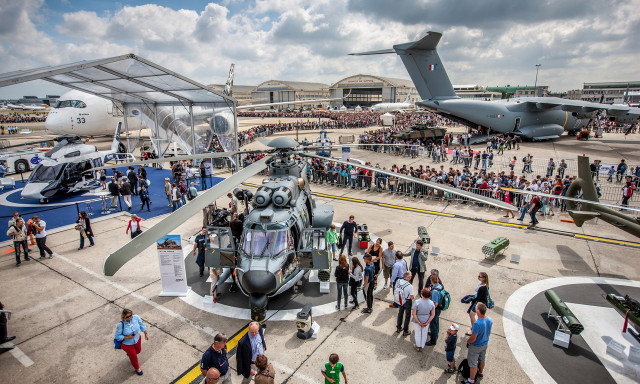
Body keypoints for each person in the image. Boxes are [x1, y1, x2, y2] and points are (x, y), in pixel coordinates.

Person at [463, 303, 492, 384]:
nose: (475, 308)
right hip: (485, 344)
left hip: (476, 346)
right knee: (482, 359)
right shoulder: (489, 319)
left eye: (476, 308)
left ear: (478, 311)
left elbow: (473, 337)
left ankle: (471, 380)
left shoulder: (477, 323)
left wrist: (468, 341)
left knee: (472, 363)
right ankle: (480, 373)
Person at [114, 309, 148, 375]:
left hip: (137, 339)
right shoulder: (120, 325)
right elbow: (117, 336)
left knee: (138, 351)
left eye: (130, 316)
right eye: (127, 317)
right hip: (127, 344)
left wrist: (146, 334)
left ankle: (130, 354)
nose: (129, 318)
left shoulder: (136, 317)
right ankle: (137, 369)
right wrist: (127, 337)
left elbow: (142, 325)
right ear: (123, 317)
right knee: (134, 356)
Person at [395, 271, 415, 337]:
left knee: (400, 313)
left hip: (400, 299)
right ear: (408, 277)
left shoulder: (398, 281)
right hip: (407, 300)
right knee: (407, 315)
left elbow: (395, 289)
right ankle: (405, 330)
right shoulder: (410, 286)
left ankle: (398, 327)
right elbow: (412, 297)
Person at [427, 274, 443, 345]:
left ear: (431, 281)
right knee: (436, 322)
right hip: (438, 309)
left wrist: (431, 310)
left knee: (433, 324)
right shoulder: (440, 286)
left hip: (435, 310)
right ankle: (435, 334)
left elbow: (435, 304)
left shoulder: (435, 291)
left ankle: (433, 340)